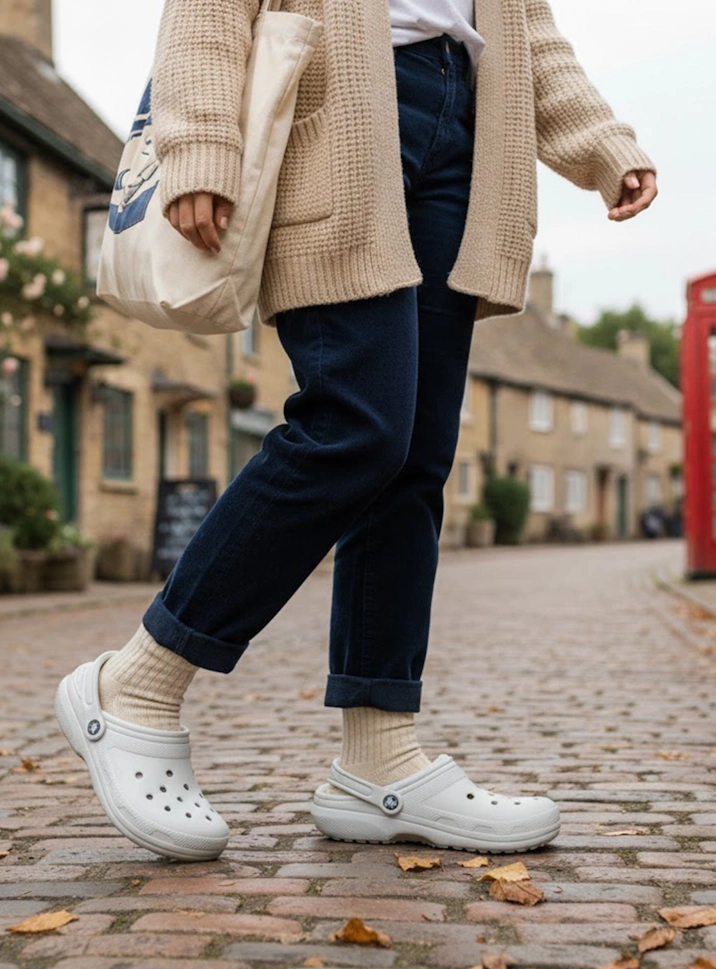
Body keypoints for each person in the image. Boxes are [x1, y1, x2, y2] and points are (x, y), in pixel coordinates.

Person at [55, 0, 657, 862]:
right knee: (356, 426)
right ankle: (136, 686)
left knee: (413, 460)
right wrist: (199, 141)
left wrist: (602, 142)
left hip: (468, 132)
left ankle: (378, 759)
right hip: (336, 113)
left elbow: (529, 28)